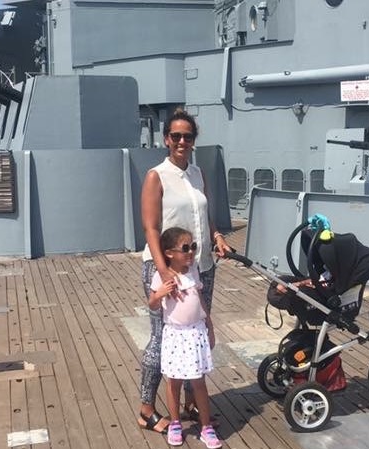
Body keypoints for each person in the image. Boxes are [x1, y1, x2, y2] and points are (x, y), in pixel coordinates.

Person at [137, 108, 231, 434]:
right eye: (175, 136)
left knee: (196, 332)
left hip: (201, 266)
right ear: (166, 139)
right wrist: (164, 272)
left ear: (193, 141)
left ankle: (192, 402)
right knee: (162, 338)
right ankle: (147, 408)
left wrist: (217, 236)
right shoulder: (156, 176)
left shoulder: (197, 174)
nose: (181, 141)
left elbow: (204, 217)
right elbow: (150, 228)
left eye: (187, 136)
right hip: (166, 268)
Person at [149, 227, 223, 448]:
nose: (191, 252)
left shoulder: (193, 271)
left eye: (193, 246)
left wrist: (209, 324)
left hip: (195, 333)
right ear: (169, 253)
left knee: (199, 382)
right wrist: (160, 294)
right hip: (175, 335)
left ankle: (206, 426)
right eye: (185, 248)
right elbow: (152, 304)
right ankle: (175, 423)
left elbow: (199, 297)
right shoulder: (161, 276)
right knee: (174, 382)